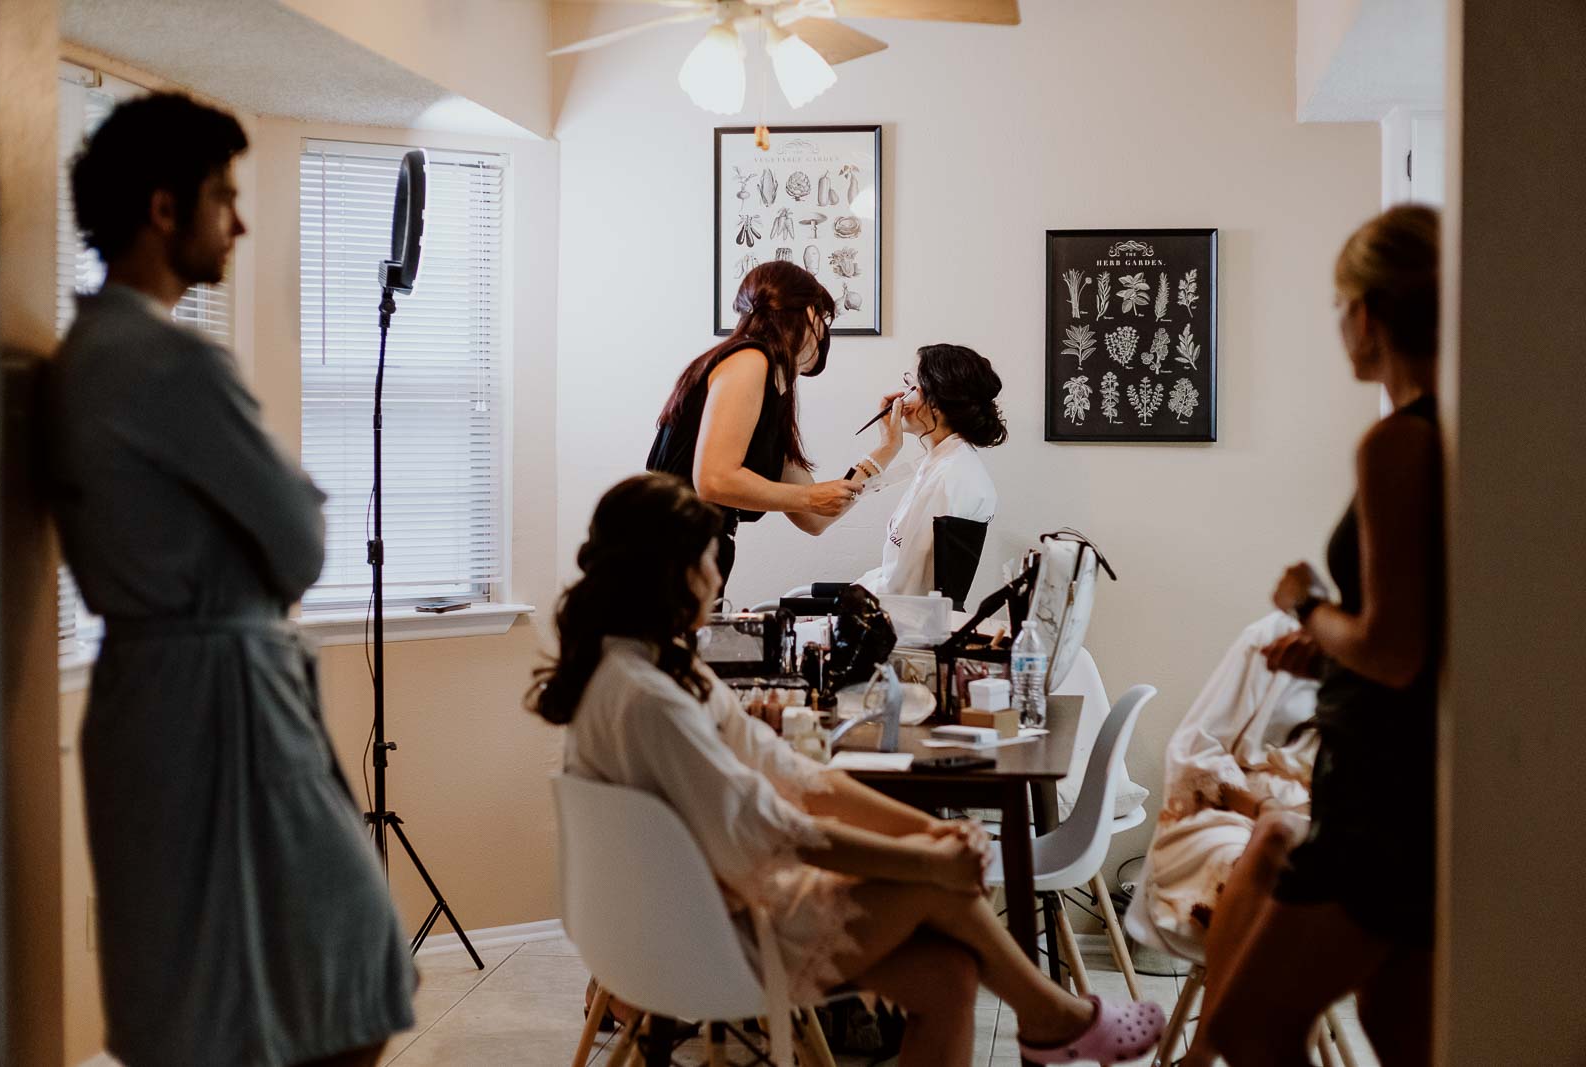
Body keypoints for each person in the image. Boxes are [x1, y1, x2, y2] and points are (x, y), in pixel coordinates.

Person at [531, 473, 1167, 1066]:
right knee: (936, 885)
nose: (715, 575)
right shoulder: (647, 698)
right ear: (669, 574)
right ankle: (1054, 1017)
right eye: (706, 559)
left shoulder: (662, 669)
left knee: (947, 976)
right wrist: (926, 858)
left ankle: (1053, 1018)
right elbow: (769, 828)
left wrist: (928, 836)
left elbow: (801, 778)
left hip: (698, 907)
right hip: (694, 934)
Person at [48, 93, 414, 1067]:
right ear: (165, 209)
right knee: (354, 954)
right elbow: (298, 547)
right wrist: (290, 496)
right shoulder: (169, 359)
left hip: (144, 698)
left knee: (202, 988)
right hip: (225, 703)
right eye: (225, 197)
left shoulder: (85, 355)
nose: (240, 222)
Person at [1196, 205, 1444, 1067]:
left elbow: (1395, 648)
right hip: (1425, 776)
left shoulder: (1395, 442)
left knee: (1251, 1026)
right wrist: (1329, 643)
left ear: (1367, 313)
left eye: (1339, 307)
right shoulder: (1458, 431)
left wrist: (1306, 603)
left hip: (1379, 786)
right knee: (1399, 1026)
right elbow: (1420, 630)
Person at [648, 261, 867, 592]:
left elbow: (814, 520)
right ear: (809, 312)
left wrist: (883, 453)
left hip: (697, 551)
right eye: (823, 319)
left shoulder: (772, 388)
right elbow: (714, 480)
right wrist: (808, 496)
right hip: (669, 554)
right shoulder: (751, 360)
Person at [853, 344, 1005, 599]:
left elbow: (908, 590)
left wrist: (842, 603)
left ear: (935, 402)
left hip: (905, 624)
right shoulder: (941, 463)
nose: (899, 398)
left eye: (910, 385)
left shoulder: (951, 477)